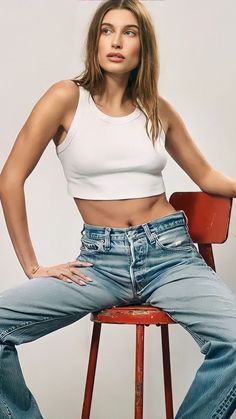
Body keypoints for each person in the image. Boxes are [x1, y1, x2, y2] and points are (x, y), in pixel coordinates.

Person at [0, 0, 235, 418]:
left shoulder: (157, 111)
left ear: (143, 47)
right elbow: (10, 178)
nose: (116, 41)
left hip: (171, 257)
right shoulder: (65, 98)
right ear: (95, 41)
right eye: (107, 30)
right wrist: (32, 266)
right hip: (100, 263)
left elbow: (209, 178)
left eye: (130, 33)